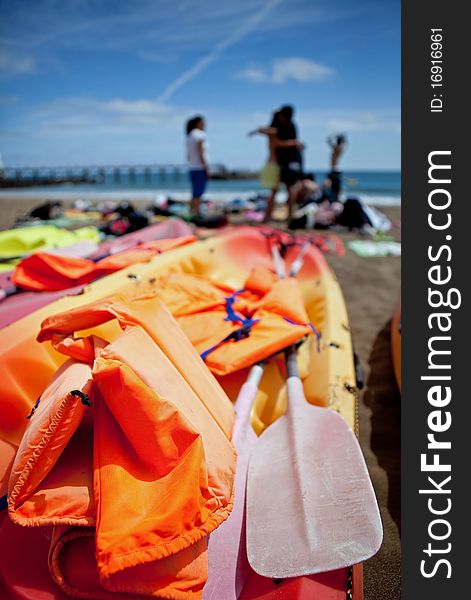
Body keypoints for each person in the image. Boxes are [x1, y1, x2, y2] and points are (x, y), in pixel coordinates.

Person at [248, 107, 304, 222]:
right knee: (283, 189)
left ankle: (276, 216)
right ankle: (283, 216)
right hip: (284, 161)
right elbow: (270, 133)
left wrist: (257, 131)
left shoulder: (286, 127)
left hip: (285, 161)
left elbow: (274, 139)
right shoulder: (285, 126)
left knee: (283, 189)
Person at [186, 115, 210, 217]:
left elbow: (188, 155)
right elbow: (201, 152)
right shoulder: (200, 134)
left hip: (192, 167)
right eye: (203, 122)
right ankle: (196, 213)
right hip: (199, 167)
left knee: (195, 192)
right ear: (198, 123)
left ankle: (192, 211)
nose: (204, 124)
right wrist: (206, 167)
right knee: (199, 192)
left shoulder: (189, 135)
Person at [326, 133, 348, 202]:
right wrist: (343, 138)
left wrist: (334, 136)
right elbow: (346, 143)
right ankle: (336, 199)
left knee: (332, 187)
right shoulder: (341, 148)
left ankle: (334, 200)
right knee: (337, 188)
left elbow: (328, 140)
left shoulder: (335, 148)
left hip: (334, 170)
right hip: (338, 169)